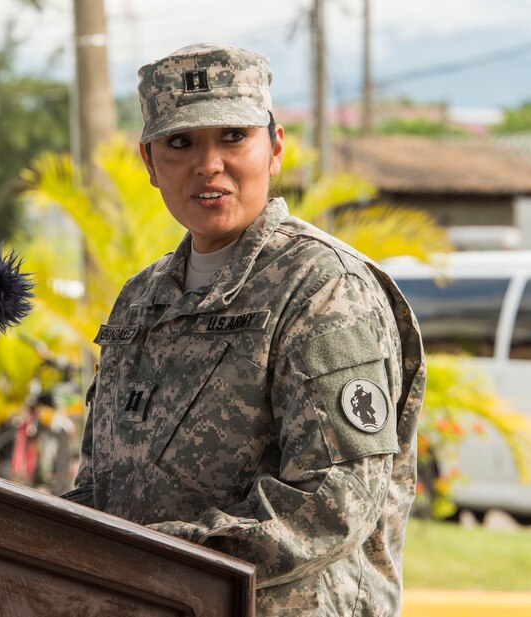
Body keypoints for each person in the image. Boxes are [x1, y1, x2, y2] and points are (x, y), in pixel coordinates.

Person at [62, 42, 425, 617]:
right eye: (181, 143)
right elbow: (101, 485)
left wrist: (150, 560)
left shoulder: (322, 287)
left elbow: (332, 505)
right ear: (150, 163)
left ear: (274, 148)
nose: (209, 165)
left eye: (233, 137)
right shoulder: (140, 300)